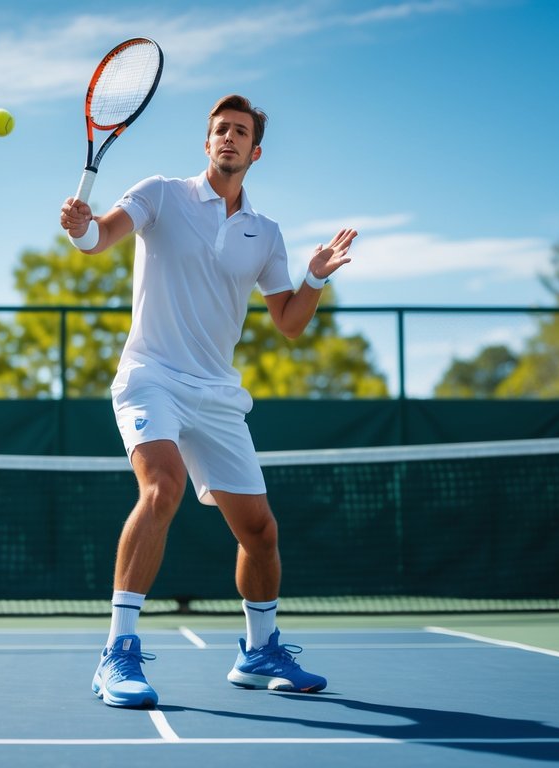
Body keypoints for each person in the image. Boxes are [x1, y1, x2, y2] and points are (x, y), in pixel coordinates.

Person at [59, 94, 356, 709]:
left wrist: (316, 277)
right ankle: (117, 654)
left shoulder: (265, 234)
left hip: (217, 394)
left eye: (240, 132)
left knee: (260, 533)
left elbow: (290, 322)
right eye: (220, 129)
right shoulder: (161, 194)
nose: (228, 138)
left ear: (255, 152)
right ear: (207, 143)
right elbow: (101, 236)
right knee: (160, 489)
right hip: (151, 376)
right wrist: (83, 226)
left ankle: (260, 651)